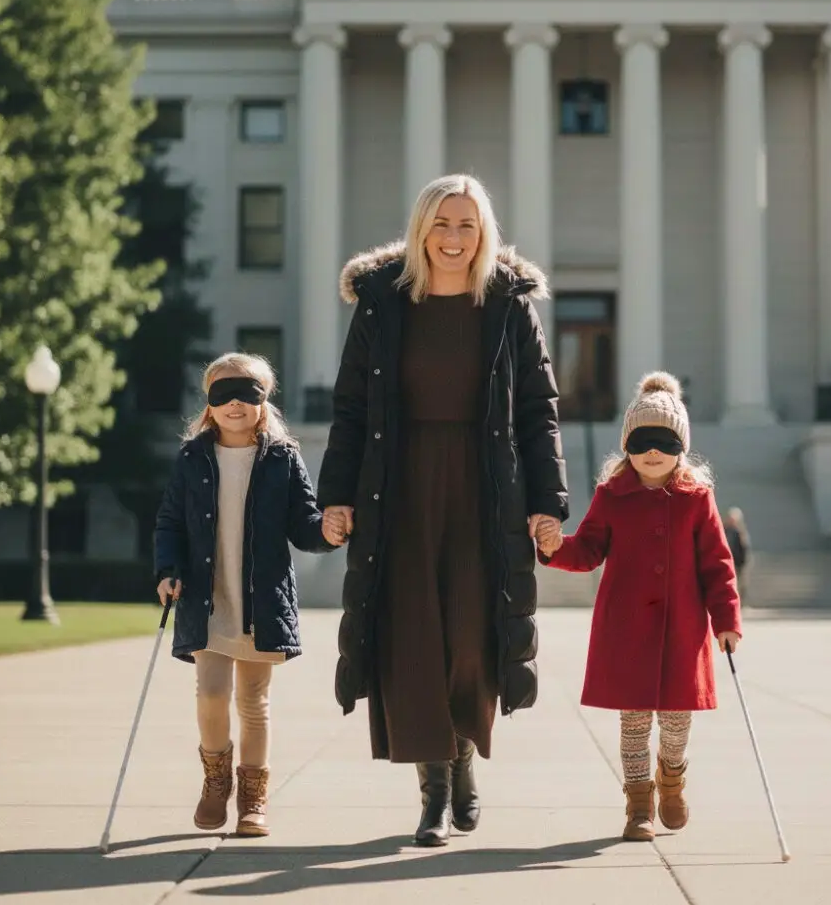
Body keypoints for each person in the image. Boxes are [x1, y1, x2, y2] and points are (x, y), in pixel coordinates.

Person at [317, 173, 567, 847]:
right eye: (442, 224)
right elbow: (350, 408)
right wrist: (336, 496)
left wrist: (548, 503)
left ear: (484, 233)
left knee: (469, 637)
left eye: (468, 225)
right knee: (413, 641)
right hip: (398, 485)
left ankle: (462, 762)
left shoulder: (508, 306)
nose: (454, 238)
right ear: (420, 229)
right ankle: (432, 795)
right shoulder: (382, 303)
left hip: (485, 488)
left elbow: (538, 415)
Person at [536, 372, 741, 842]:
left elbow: (717, 563)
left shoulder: (696, 499)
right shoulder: (612, 496)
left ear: (681, 447)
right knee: (632, 724)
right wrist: (552, 548)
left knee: (674, 722)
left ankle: (671, 779)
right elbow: (587, 550)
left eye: (665, 441)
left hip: (682, 629)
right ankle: (637, 805)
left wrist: (726, 620)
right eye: (643, 440)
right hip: (626, 628)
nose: (654, 451)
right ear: (628, 444)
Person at [154, 352, 342, 837]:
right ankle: (217, 781)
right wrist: (168, 570)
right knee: (212, 694)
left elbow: (304, 525)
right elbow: (170, 523)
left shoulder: (282, 459)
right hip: (206, 596)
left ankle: (253, 799)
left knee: (254, 701)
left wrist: (329, 531)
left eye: (247, 393)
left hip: (260, 600)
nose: (235, 403)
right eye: (223, 394)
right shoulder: (192, 458)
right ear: (209, 405)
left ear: (264, 403)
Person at [723, 507, 751, 596]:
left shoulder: (740, 532)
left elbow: (744, 549)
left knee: (739, 584)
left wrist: (743, 563)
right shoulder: (724, 530)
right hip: (727, 562)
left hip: (737, 563)